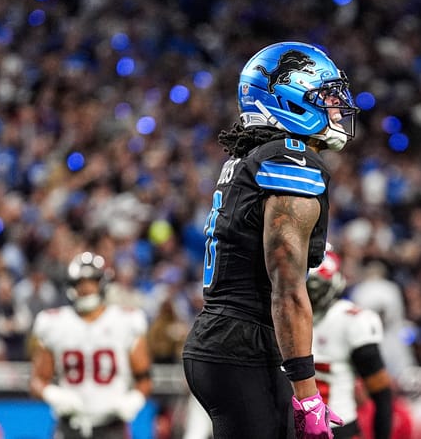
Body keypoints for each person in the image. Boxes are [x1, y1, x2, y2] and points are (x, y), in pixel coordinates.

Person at [181, 41, 359, 439]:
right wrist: (307, 392)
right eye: (324, 96)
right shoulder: (288, 161)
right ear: (288, 97)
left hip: (228, 339)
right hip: (244, 344)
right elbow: (287, 286)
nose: (336, 106)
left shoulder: (254, 156)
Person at [29, 251, 152, 439]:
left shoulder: (126, 321)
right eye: (80, 283)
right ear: (71, 286)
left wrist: (133, 400)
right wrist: (53, 394)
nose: (86, 288)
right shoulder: (54, 323)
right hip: (70, 426)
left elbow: (144, 378)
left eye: (91, 281)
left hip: (112, 426)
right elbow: (37, 380)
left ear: (102, 283)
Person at [306, 246, 393, 439]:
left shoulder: (351, 321)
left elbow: (382, 394)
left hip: (338, 429)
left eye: (315, 288)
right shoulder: (278, 317)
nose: (311, 296)